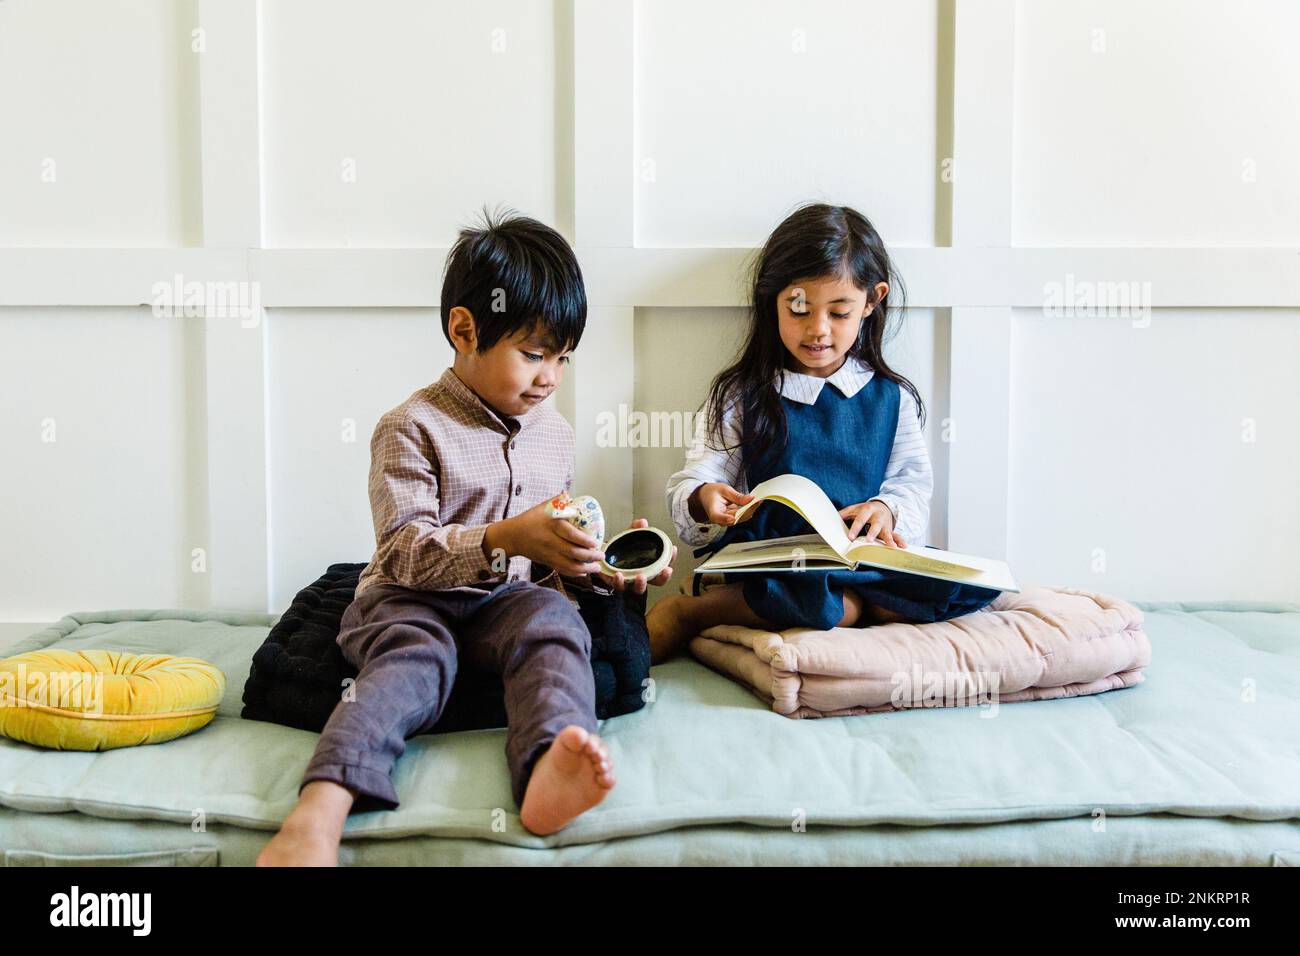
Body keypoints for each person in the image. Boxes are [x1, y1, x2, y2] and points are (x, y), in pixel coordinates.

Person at [258, 208, 673, 865]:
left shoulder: (555, 434)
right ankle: (321, 808)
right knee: (415, 660)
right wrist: (506, 537)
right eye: (533, 354)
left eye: (562, 358)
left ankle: (545, 769)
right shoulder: (410, 427)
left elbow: (546, 565)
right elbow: (403, 551)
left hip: (502, 604)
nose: (549, 378)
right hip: (407, 600)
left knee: (556, 623)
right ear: (464, 330)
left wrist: (598, 569)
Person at [649, 202, 998, 663]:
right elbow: (695, 480)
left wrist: (886, 509)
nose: (817, 330)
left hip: (858, 556)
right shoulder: (743, 394)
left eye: (838, 312)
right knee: (830, 602)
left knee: (950, 586)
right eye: (799, 308)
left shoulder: (892, 398)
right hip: (778, 561)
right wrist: (704, 498)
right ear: (772, 298)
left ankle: (850, 604)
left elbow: (912, 485)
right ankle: (691, 612)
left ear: (871, 302)